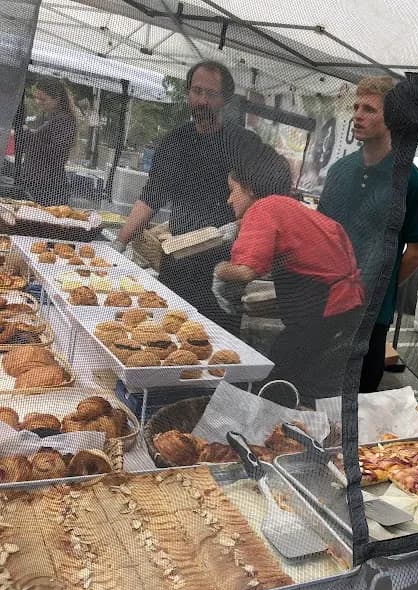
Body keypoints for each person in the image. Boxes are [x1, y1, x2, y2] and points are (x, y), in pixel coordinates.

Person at [113, 60, 290, 333]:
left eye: (211, 94)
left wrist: (240, 227)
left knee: (213, 349)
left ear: (226, 99)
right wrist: (120, 242)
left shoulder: (244, 144)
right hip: (178, 261)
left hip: (224, 269)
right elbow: (151, 195)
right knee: (167, 338)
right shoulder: (175, 141)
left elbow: (275, 193)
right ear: (187, 94)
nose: (202, 100)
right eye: (197, 92)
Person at [213, 144, 365, 402]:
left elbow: (247, 271)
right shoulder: (286, 206)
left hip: (325, 310)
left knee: (279, 381)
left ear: (249, 188)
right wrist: (237, 231)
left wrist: (219, 271)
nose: (229, 200)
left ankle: (273, 428)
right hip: (346, 310)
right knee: (309, 381)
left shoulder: (263, 209)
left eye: (232, 191)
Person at [317, 76, 418, 393]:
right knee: (315, 394)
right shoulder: (339, 171)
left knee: (359, 400)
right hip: (325, 306)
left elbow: (417, 253)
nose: (357, 114)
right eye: (356, 107)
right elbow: (320, 236)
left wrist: (377, 286)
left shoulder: (412, 182)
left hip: (371, 317)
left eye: (369, 109)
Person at [16, 79, 77, 206]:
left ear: (57, 98)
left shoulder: (65, 121)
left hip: (48, 188)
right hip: (36, 184)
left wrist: (27, 134)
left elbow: (57, 154)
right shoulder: (50, 118)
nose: (38, 102)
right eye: (37, 98)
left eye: (43, 99)